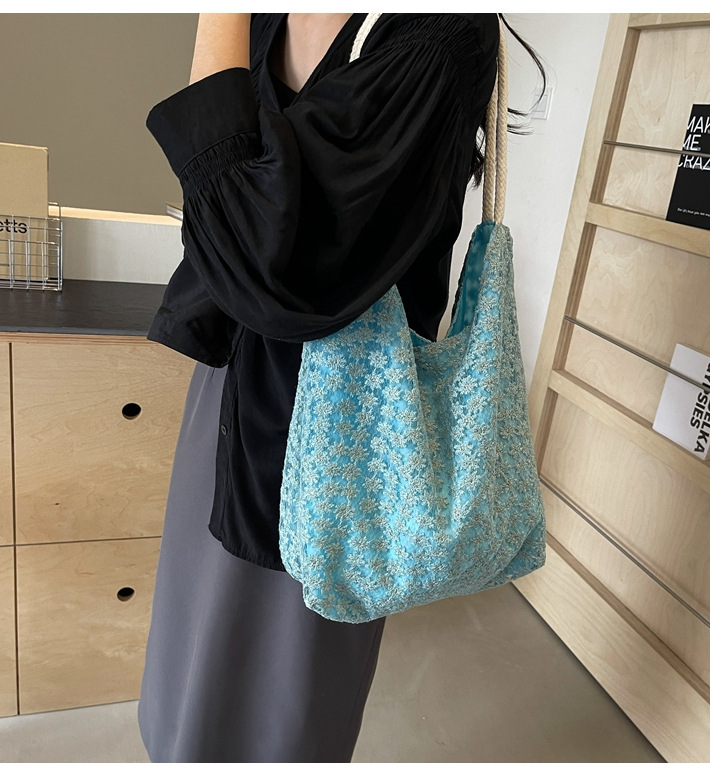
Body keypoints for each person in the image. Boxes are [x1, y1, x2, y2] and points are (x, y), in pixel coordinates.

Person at [137, 12, 543, 763]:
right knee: (187, 683)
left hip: (340, 435)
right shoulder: (269, 16)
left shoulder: (438, 31)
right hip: (226, 394)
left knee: (272, 720)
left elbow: (266, 257)